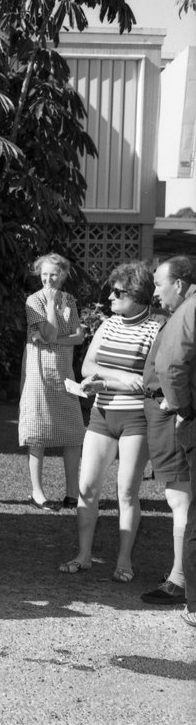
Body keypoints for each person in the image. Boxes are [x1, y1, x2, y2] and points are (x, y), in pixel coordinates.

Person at [59, 261, 164, 581]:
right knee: (87, 487)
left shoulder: (156, 329)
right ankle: (84, 555)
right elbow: (88, 366)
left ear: (138, 295)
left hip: (136, 419)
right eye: (111, 292)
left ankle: (123, 561)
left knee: (127, 492)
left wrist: (105, 379)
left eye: (118, 293)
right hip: (101, 415)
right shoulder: (108, 325)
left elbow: (147, 381)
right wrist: (116, 377)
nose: (110, 299)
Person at [18, 253, 86, 510]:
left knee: (72, 432)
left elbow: (78, 336)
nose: (48, 279)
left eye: (53, 274)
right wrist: (49, 303)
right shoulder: (34, 300)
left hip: (64, 372)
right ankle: (37, 493)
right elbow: (48, 331)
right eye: (44, 274)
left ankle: (72, 494)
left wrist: (55, 339)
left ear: (64, 274)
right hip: (38, 374)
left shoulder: (70, 300)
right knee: (37, 432)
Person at [152, 256, 196, 626]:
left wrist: (181, 406)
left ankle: (187, 595)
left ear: (179, 284)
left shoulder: (186, 312)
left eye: (158, 284)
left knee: (187, 507)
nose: (155, 292)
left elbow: (170, 366)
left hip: (187, 418)